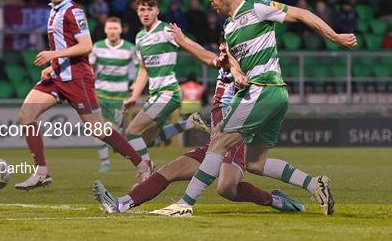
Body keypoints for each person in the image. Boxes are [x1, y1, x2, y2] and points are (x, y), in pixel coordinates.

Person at [154, 0, 357, 217]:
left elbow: (301, 13)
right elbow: (232, 57)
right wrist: (238, 73)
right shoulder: (229, 27)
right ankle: (315, 184)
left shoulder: (257, 8)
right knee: (254, 163)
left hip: (264, 88)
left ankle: (184, 204)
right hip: (274, 94)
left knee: (218, 142)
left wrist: (334, 36)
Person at [93, 41, 304, 214]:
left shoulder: (244, 73)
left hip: (232, 142)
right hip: (215, 143)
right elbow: (205, 55)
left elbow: (250, 103)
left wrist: (182, 40)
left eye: (226, 50)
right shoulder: (224, 70)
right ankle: (120, 204)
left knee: (227, 188)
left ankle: (276, 200)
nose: (221, 53)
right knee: (171, 170)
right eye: (220, 49)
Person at [14, 0, 151, 190]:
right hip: (58, 76)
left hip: (77, 78)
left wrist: (53, 56)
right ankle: (41, 172)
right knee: (26, 115)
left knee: (99, 130)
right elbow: (65, 44)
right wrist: (53, 66)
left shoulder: (73, 11)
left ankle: (142, 165)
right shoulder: (54, 11)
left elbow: (86, 45)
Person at [122, 0, 208, 170]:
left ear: (157, 11)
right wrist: (134, 96)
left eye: (149, 9)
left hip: (168, 92)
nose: (145, 13)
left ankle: (145, 171)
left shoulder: (166, 31)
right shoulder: (139, 37)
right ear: (137, 12)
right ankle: (189, 123)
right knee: (147, 141)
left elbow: (190, 45)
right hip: (157, 93)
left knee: (131, 132)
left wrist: (211, 58)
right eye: (142, 9)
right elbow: (143, 69)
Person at [89, 17, 136, 172]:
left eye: (115, 28)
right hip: (100, 96)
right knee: (98, 131)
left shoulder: (129, 48)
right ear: (105, 30)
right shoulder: (98, 47)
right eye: (109, 28)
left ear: (121, 30)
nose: (112, 31)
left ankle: (120, 138)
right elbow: (90, 69)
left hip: (119, 98)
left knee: (111, 132)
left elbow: (137, 69)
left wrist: (134, 86)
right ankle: (105, 162)